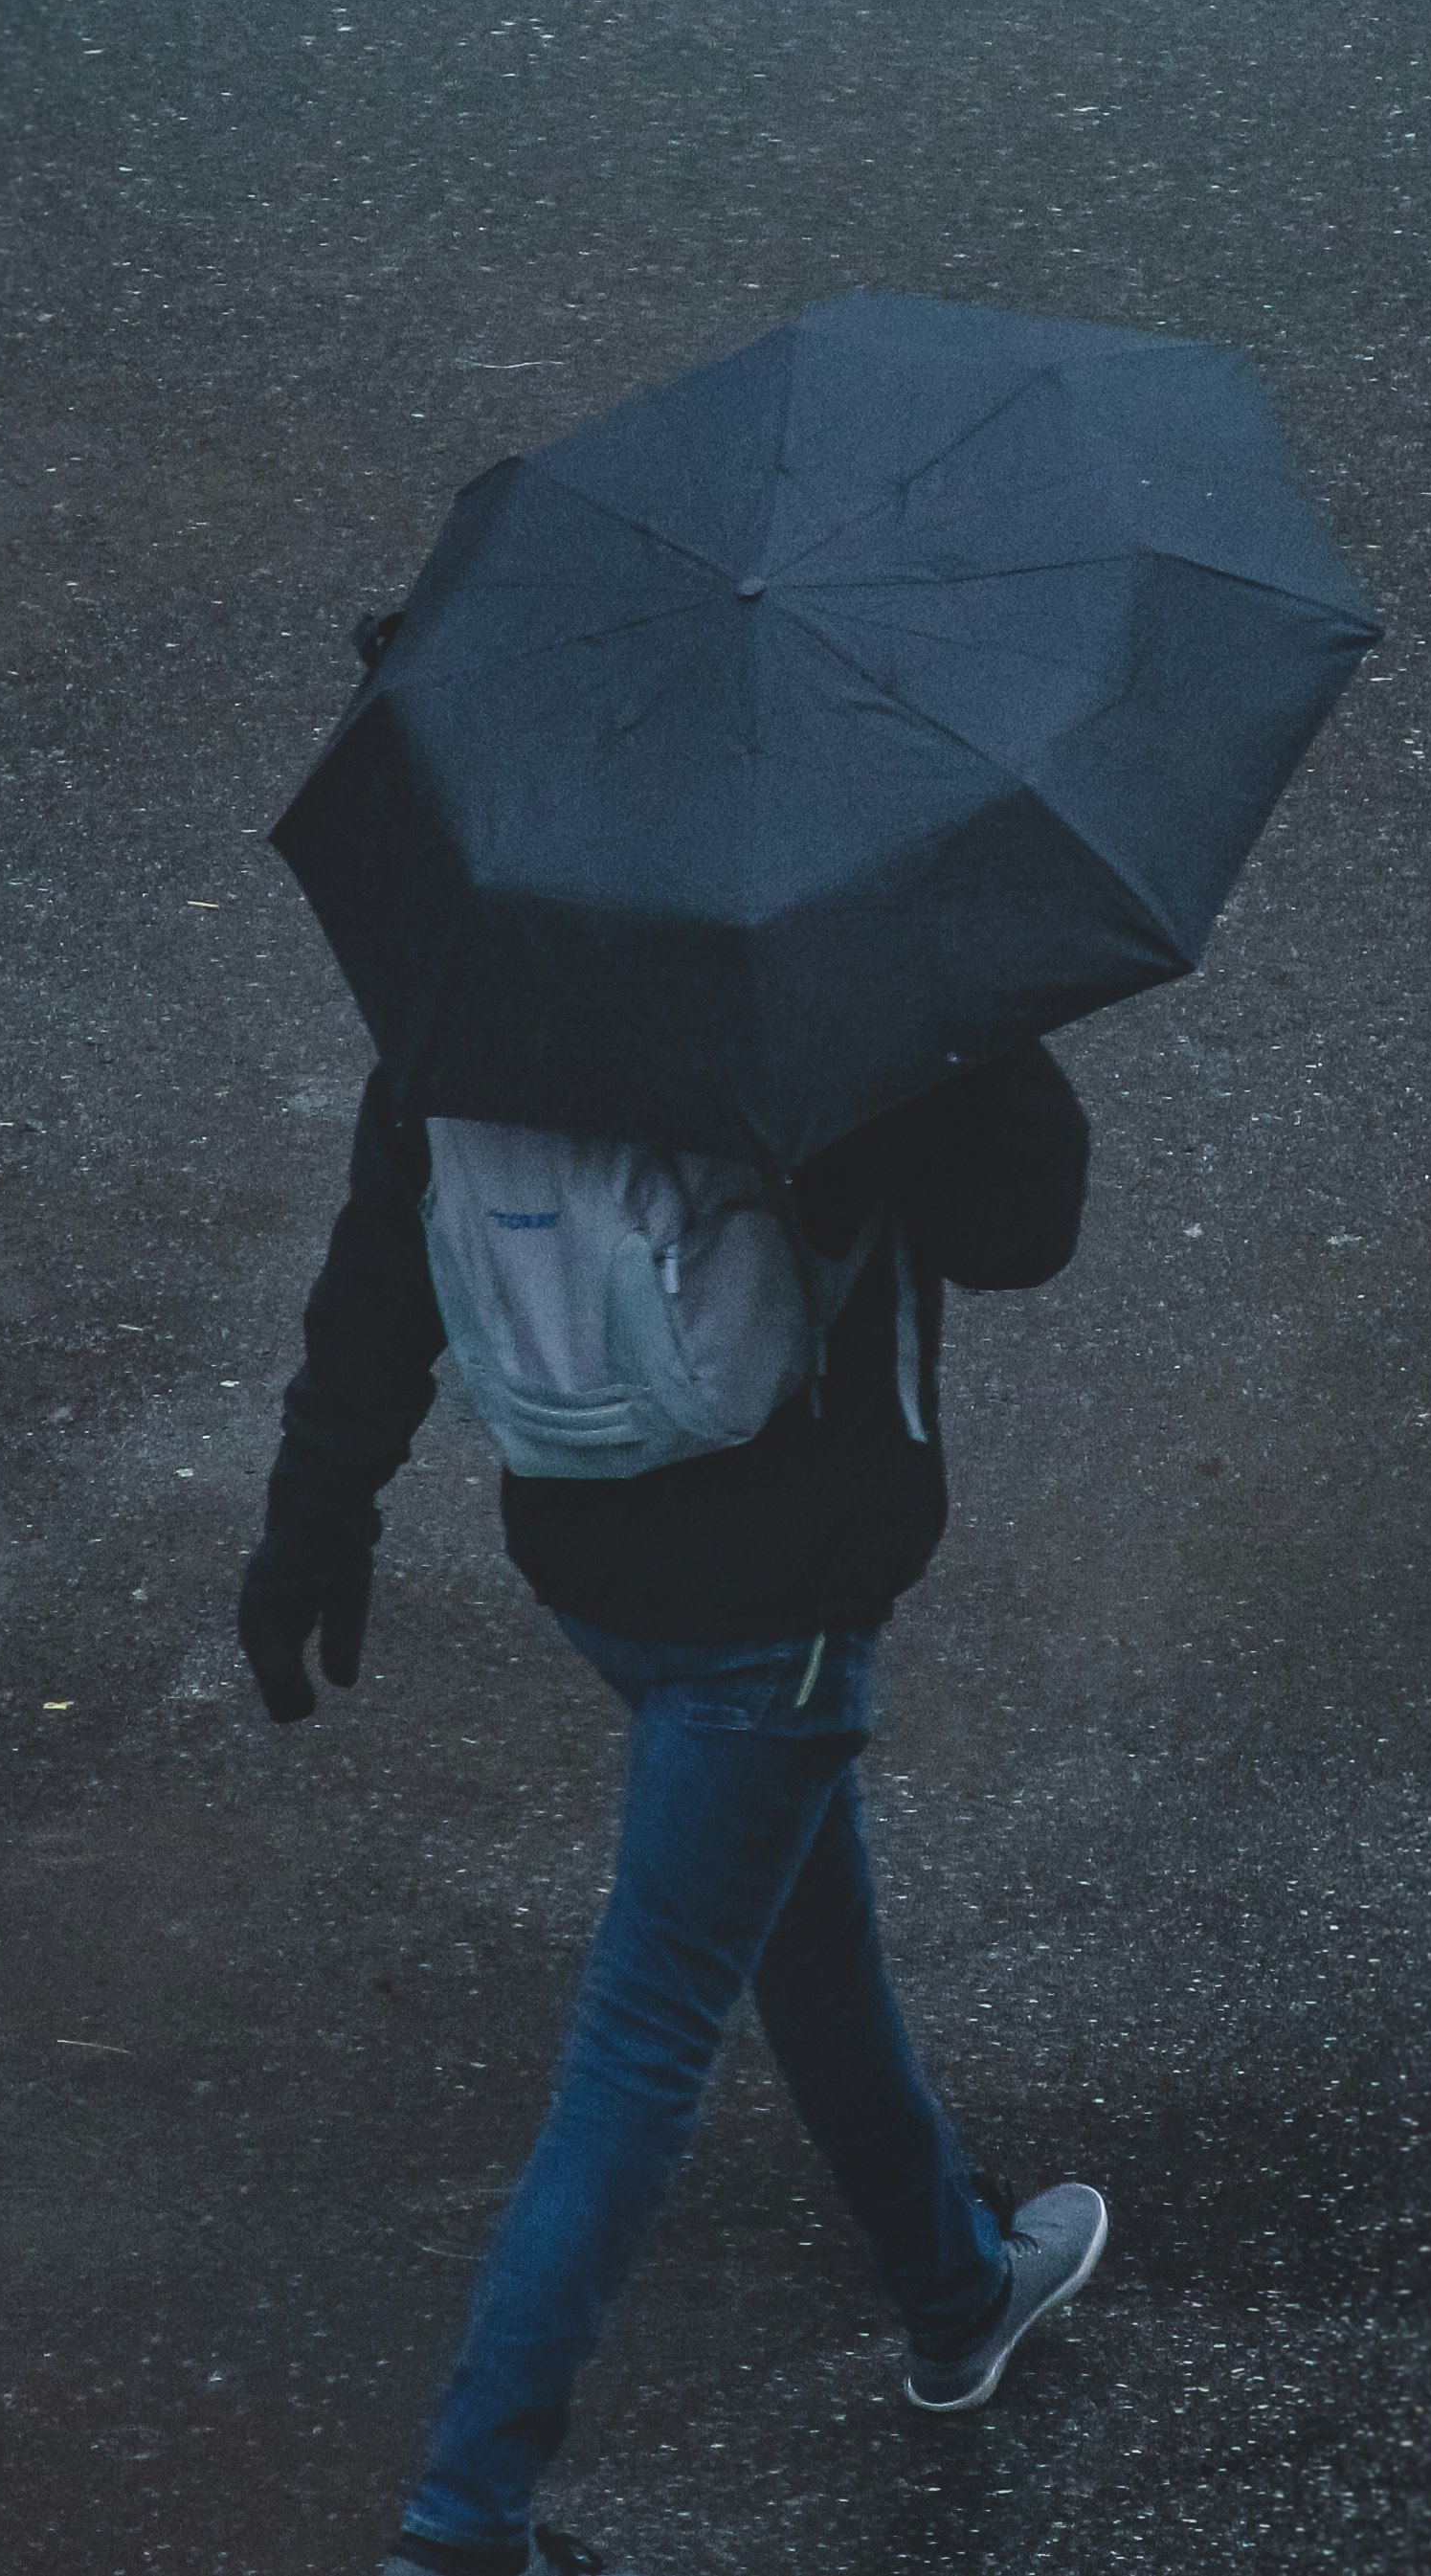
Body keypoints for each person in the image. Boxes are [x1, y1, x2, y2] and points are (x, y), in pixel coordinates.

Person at [237, 1017, 1106, 2576]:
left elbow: (387, 1255)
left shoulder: (491, 959)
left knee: (804, 1933)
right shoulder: (837, 992)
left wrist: (315, 1520)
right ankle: (462, 2528)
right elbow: (1015, 1231)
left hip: (589, 1552)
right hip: (774, 1610)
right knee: (640, 2054)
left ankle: (957, 2291)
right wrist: (980, 1026)